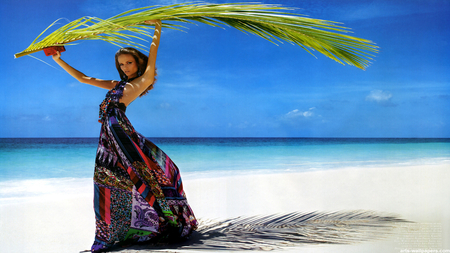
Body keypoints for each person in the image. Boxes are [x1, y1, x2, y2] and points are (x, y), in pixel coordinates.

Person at [52, 20, 198, 252]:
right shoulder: (116, 84)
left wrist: (157, 26)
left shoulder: (144, 79)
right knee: (108, 178)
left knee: (138, 172)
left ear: (139, 63)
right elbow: (84, 79)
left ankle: (162, 220)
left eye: (129, 63)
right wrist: (58, 59)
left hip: (120, 131)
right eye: (121, 64)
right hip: (108, 135)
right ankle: (116, 231)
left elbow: (154, 50)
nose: (125, 67)